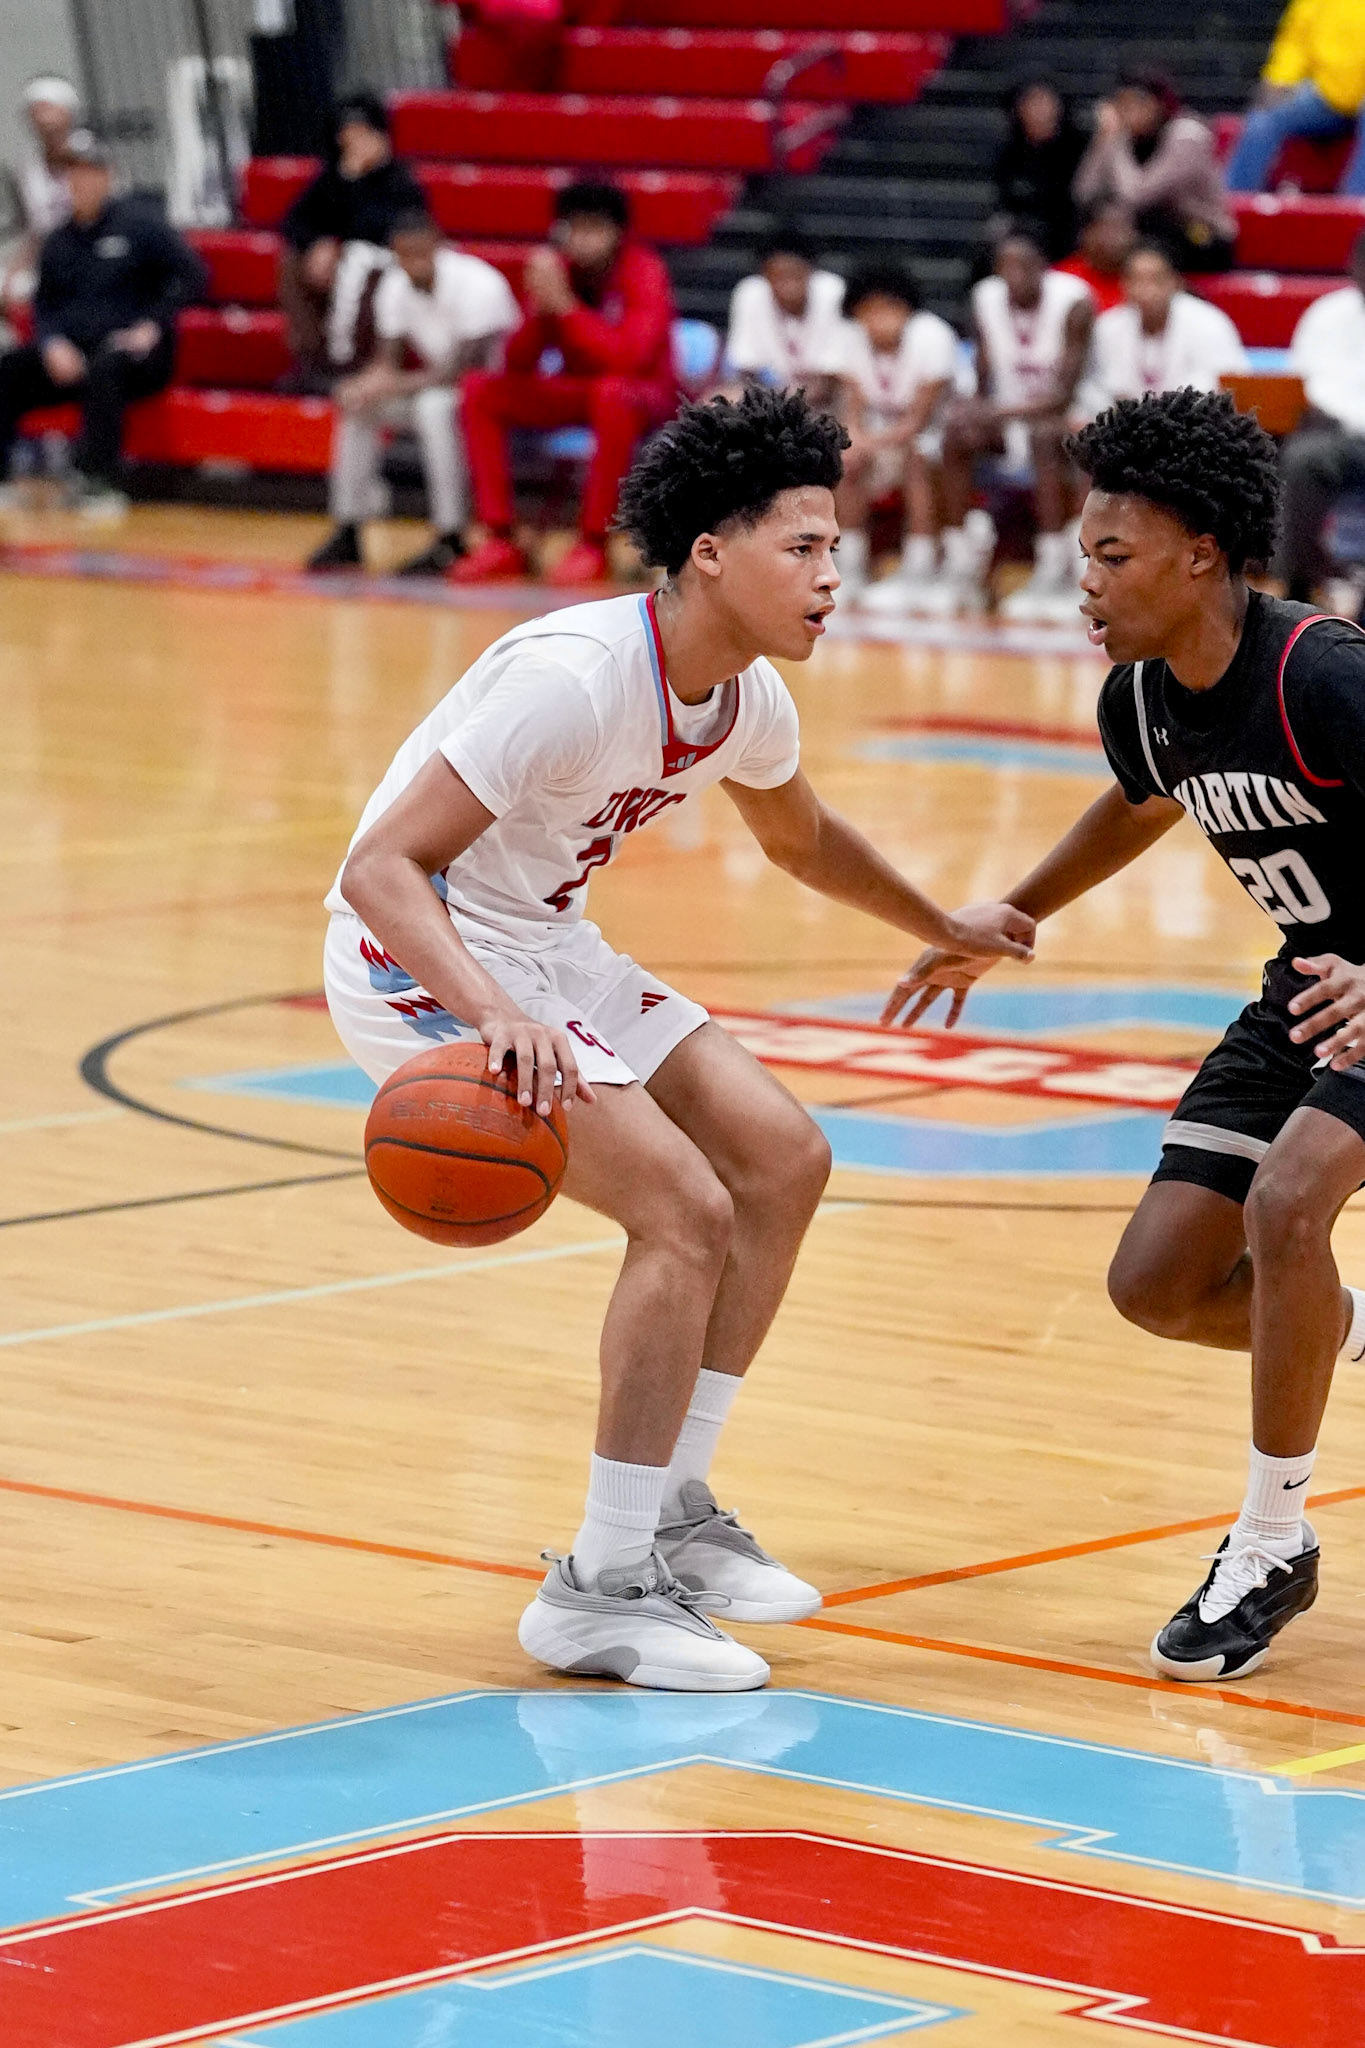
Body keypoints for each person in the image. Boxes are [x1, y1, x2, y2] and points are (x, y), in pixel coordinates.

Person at [324, 384, 1034, 1691]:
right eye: (803, 547)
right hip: (418, 956)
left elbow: (800, 839)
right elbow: (379, 869)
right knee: (682, 1209)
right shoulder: (575, 676)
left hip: (545, 943)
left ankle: (669, 1510)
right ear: (710, 552)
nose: (833, 576)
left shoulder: (746, 699)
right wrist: (494, 1015)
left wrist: (942, 922)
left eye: (836, 549)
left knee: (783, 1159)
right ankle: (599, 1589)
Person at [886, 385, 1365, 1684]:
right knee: (1156, 1283)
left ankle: (1270, 1540)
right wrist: (1013, 912)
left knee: (1287, 1203)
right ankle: (1347, 1327)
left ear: (1200, 554)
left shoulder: (1321, 675)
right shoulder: (1144, 700)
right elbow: (1142, 801)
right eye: (1082, 554)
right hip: (1306, 994)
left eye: (1111, 555)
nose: (1084, 582)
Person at [452, 180, 677, 588]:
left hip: (644, 397)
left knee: (613, 394)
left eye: (595, 228)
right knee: (479, 389)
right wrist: (540, 311)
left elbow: (631, 360)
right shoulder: (558, 272)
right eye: (576, 228)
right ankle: (499, 536)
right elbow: (518, 363)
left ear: (618, 233)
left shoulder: (645, 271)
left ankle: (593, 542)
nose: (584, 240)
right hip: (583, 393)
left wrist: (567, 310)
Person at [0, 130, 206, 518]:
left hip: (137, 355)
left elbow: (194, 275)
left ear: (107, 176)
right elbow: (45, 304)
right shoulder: (58, 240)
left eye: (89, 171)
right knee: (9, 368)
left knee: (107, 366)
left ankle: (99, 482)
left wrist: (152, 323)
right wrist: (51, 343)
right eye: (72, 172)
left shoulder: (142, 225)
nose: (79, 181)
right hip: (75, 352)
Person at [307, 212, 520, 576]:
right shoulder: (395, 284)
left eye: (421, 253)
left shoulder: (479, 284)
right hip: (437, 389)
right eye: (406, 255)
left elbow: (464, 371)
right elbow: (388, 360)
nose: (414, 263)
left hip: (493, 396)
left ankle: (450, 535)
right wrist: (364, 385)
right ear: (395, 253)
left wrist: (392, 383)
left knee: (434, 408)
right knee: (360, 406)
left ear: (438, 245)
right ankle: (348, 529)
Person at [929, 230, 1094, 620]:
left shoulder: (1074, 300)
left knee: (1044, 436)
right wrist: (973, 409)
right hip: (1007, 415)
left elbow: (1063, 395)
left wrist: (996, 413)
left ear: (1044, 267)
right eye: (1006, 267)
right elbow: (983, 376)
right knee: (955, 435)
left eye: (1024, 266)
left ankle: (1054, 568)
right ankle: (961, 561)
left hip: (1069, 414)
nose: (1015, 275)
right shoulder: (986, 297)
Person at [829, 265, 959, 610]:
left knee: (916, 458)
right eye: (868, 311)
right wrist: (856, 443)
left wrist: (869, 442)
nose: (877, 320)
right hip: (881, 434)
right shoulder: (849, 338)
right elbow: (852, 409)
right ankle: (849, 566)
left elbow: (919, 420)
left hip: (934, 436)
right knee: (846, 459)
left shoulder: (932, 335)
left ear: (904, 308)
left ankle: (920, 567)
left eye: (885, 309)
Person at [278, 91, 425, 393]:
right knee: (293, 260)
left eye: (361, 133)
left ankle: (351, 364)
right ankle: (313, 361)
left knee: (360, 261)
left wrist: (357, 182)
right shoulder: (334, 177)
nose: (353, 141)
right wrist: (319, 243)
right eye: (348, 134)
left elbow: (382, 231)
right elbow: (293, 221)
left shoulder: (401, 180)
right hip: (341, 266)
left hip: (387, 265)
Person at [1272, 230, 1365, 602]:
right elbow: (1303, 382)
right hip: (1334, 434)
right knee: (1301, 458)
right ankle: (1299, 584)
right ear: (1353, 265)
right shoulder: (1326, 314)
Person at [1074, 70, 1237, 274]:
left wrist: (1116, 141)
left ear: (1158, 104)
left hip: (1202, 234)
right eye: (1122, 104)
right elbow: (1084, 192)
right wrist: (1101, 140)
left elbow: (1136, 196)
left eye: (1137, 102)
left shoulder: (1187, 135)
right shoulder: (1124, 138)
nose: (1129, 111)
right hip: (1149, 230)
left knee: (1143, 246)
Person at [1225, 0, 1365, 198]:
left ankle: (1355, 208)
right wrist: (1279, 79)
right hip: (1327, 92)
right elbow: (1294, 41)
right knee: (1264, 117)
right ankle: (1233, 202)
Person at [1088, 242, 1247, 409]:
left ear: (1175, 282)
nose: (1146, 290)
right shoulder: (1108, 327)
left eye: (1155, 280)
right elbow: (1094, 386)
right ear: (1123, 284)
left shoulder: (1209, 323)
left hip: (1191, 420)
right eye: (1136, 279)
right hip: (1125, 420)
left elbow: (1225, 382)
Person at [724, 227, 846, 400]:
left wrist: (796, 402)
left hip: (825, 398)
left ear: (810, 271)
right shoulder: (750, 293)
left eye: (795, 276)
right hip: (770, 397)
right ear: (765, 275)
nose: (788, 286)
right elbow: (746, 366)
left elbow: (835, 371)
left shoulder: (832, 291)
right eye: (778, 277)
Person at [1, 76, 80, 312]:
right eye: (35, 112)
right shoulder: (28, 167)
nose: (42, 119)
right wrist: (15, 269)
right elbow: (37, 230)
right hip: (47, 258)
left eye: (48, 109)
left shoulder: (90, 157)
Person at [991, 75, 1087, 262]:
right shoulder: (1010, 150)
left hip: (1069, 224)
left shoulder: (1078, 144)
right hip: (1024, 227)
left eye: (1044, 101)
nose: (1039, 109)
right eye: (1031, 102)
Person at [1056, 198, 1137, 315]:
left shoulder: (1145, 279)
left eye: (1120, 229)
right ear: (1085, 234)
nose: (1113, 237)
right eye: (1105, 228)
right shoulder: (1064, 277)